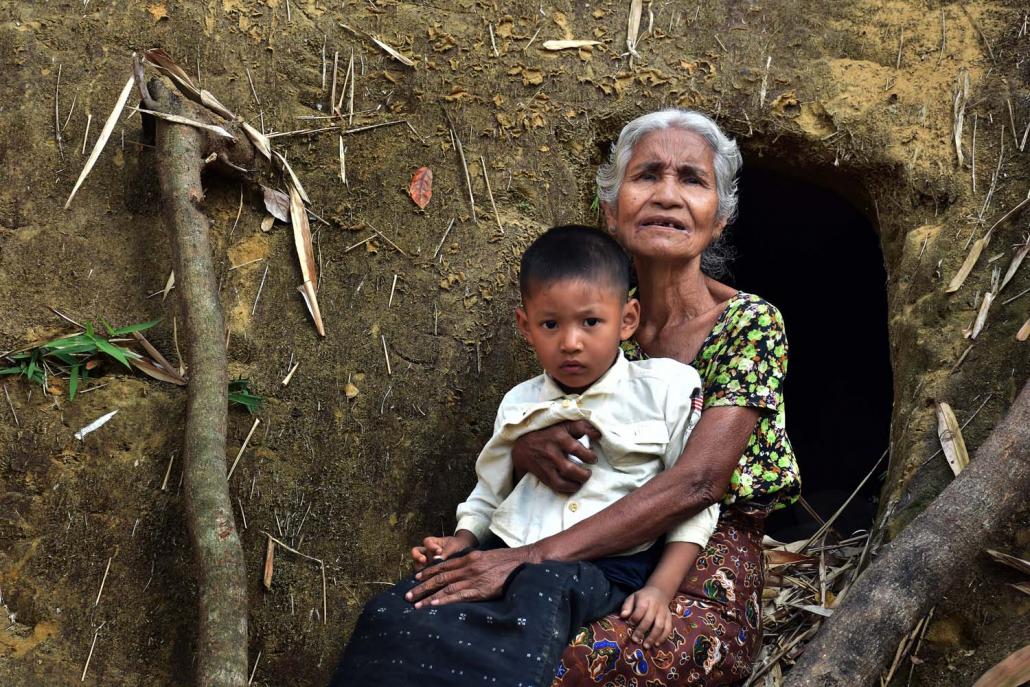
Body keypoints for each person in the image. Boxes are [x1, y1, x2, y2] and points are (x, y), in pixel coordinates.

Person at [405, 109, 800, 687]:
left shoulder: (750, 324)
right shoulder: (591, 321)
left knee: (575, 664)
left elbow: (699, 483)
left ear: (721, 219)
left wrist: (523, 559)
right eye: (647, 176)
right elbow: (539, 419)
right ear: (610, 212)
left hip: (695, 558)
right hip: (580, 545)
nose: (667, 195)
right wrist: (525, 450)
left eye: (692, 179)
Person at [332, 225, 719, 686]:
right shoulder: (519, 403)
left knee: (540, 592)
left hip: (605, 564)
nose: (570, 342)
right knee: (397, 606)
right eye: (551, 324)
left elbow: (692, 502)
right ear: (525, 327)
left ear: (628, 319)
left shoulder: (666, 389)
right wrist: (463, 540)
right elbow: (488, 490)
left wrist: (660, 587)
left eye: (590, 322)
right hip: (505, 548)